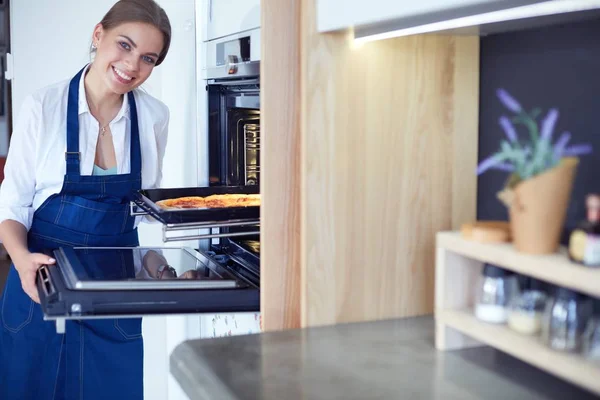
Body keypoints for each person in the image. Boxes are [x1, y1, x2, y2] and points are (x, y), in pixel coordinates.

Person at [0, 0, 171, 398]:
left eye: (148, 58)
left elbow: (142, 213)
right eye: (124, 46)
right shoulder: (43, 107)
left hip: (116, 299)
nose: (132, 66)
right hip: (40, 287)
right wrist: (22, 261)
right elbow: (12, 206)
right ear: (98, 35)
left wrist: (161, 266)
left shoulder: (155, 117)